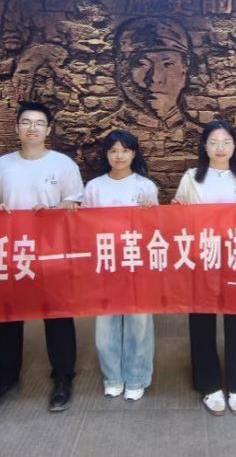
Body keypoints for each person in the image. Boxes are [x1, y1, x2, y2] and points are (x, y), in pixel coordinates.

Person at [0, 101, 85, 412]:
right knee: (9, 318)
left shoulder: (63, 164)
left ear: (48, 130)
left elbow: (75, 202)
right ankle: (5, 379)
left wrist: (59, 209)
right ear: (17, 128)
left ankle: (63, 377)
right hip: (13, 251)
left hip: (52, 251)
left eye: (39, 123)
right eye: (26, 122)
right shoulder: (2, 165)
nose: (32, 128)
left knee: (58, 317)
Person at [173, 118, 236, 416]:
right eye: (213, 142)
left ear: (234, 146)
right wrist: (178, 210)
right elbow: (176, 217)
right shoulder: (190, 178)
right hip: (200, 257)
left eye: (226, 142)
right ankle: (208, 384)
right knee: (201, 321)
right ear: (204, 147)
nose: (220, 148)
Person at [83, 130, 159, 401]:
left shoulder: (146, 186)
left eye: (124, 150)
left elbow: (156, 229)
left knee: (139, 322)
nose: (119, 156)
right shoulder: (94, 187)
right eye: (113, 150)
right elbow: (85, 226)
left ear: (133, 154)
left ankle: (137, 377)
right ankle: (113, 377)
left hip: (137, 262)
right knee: (106, 324)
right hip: (106, 262)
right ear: (106, 154)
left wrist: (150, 213)